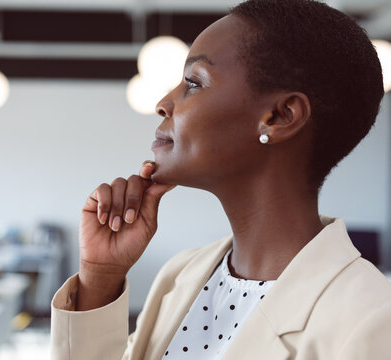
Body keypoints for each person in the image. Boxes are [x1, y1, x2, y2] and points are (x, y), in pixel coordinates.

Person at [51, 0, 391, 358]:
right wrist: (100, 278)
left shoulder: (370, 322)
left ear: (279, 117)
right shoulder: (180, 275)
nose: (163, 103)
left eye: (193, 83)